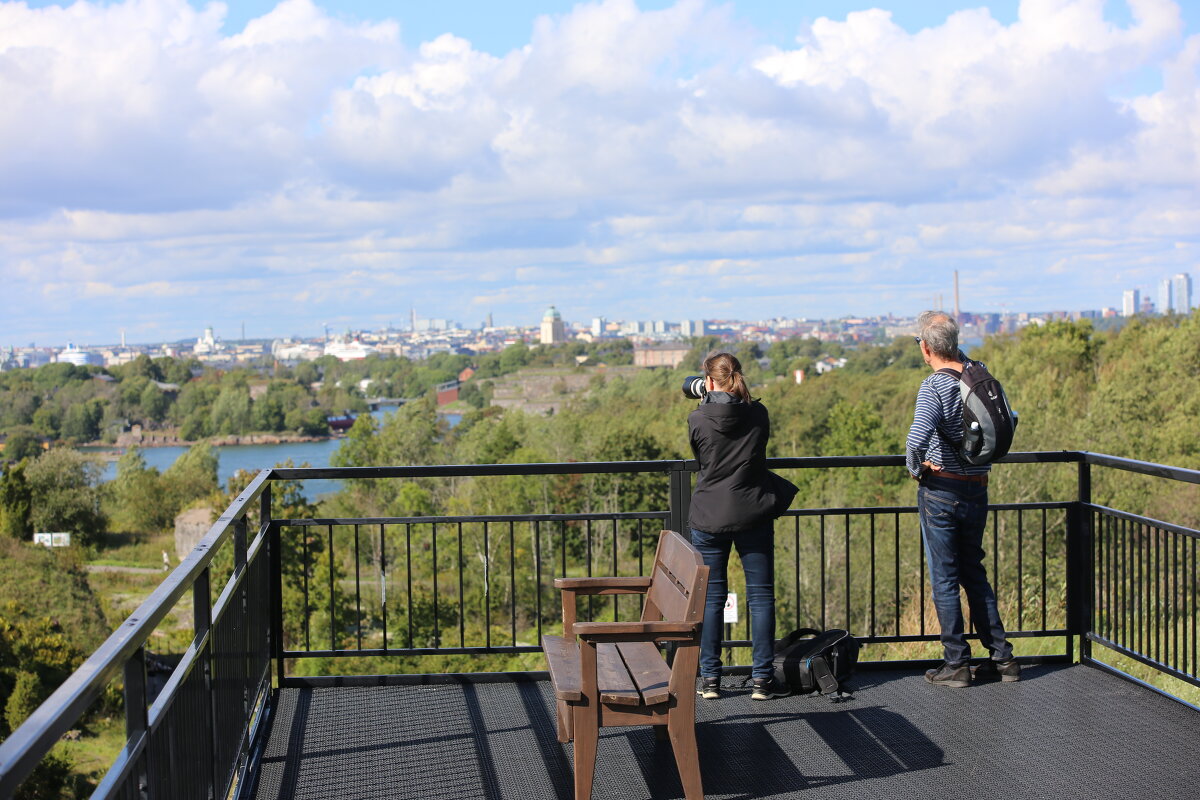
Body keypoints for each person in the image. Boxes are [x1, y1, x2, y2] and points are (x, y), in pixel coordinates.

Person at [905, 311, 1019, 687]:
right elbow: (1010, 418)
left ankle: (956, 664)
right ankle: (1003, 660)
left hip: (943, 492)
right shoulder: (978, 375)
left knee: (945, 578)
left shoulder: (934, 386)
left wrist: (916, 469)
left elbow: (915, 439)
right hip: (977, 487)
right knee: (974, 572)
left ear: (926, 347)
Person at [688, 352, 797, 701]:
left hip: (709, 516)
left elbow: (702, 459)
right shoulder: (758, 415)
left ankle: (710, 680)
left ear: (708, 382)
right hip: (753, 512)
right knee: (761, 597)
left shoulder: (698, 419)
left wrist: (705, 402)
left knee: (711, 599)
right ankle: (763, 680)